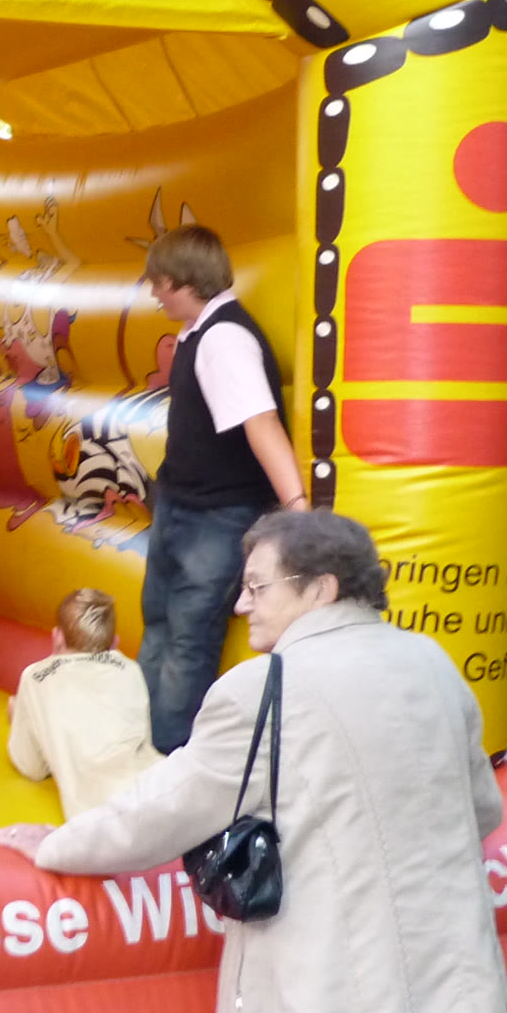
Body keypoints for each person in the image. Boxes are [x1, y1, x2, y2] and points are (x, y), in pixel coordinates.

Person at [0, 511, 507, 1013]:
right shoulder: (430, 663)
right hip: (450, 983)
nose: (241, 604)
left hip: (340, 999)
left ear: (321, 588)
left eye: (259, 587)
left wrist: (55, 845)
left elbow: (160, 813)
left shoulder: (264, 687)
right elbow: (482, 808)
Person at [139, 223, 308, 753]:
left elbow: (262, 424)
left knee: (188, 638)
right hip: (181, 504)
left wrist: (298, 509)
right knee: (159, 623)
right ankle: (141, 742)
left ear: (182, 280)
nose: (153, 292)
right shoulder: (197, 333)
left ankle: (168, 755)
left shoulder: (225, 339)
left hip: (217, 514)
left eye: (158, 282)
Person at [6, 588, 161, 816]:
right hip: (161, 784)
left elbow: (31, 767)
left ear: (57, 637)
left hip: (112, 815)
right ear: (115, 642)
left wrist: (17, 718)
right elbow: (142, 738)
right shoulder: (130, 669)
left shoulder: (36, 677)